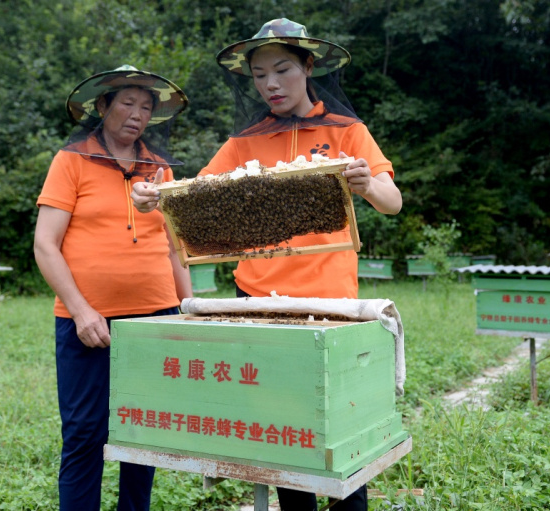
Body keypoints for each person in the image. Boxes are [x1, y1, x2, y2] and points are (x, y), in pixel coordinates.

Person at [133, 19, 402, 511]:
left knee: (342, 436)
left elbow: (392, 200)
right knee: (286, 437)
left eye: (282, 70)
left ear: (308, 67)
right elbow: (195, 195)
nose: (270, 84)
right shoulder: (245, 141)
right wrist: (153, 197)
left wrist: (365, 184)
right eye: (259, 75)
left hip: (329, 299)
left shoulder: (346, 131)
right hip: (257, 300)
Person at [34, 64, 193, 511]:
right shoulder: (72, 161)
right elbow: (45, 245)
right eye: (127, 102)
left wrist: (189, 308)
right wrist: (82, 310)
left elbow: (173, 247)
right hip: (88, 321)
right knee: (85, 431)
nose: (136, 114)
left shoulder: (159, 168)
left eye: (146, 106)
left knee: (145, 430)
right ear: (102, 106)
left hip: (156, 317)